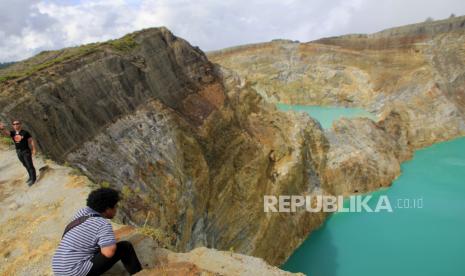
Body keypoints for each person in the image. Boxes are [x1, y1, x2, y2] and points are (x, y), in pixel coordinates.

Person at [52, 188, 142, 276]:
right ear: (107, 209)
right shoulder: (102, 224)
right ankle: (139, 274)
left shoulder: (81, 213)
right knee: (125, 247)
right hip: (75, 271)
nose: (116, 209)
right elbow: (108, 252)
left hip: (58, 268)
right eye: (115, 206)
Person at [0, 120, 37, 185]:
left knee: (29, 165)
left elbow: (31, 141)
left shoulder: (25, 133)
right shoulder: (13, 133)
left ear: (20, 124)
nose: (16, 125)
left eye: (17, 124)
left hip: (26, 151)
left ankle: (33, 179)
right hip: (18, 152)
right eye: (14, 124)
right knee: (25, 165)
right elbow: (6, 133)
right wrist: (2, 128)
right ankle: (30, 177)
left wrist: (33, 149)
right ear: (13, 126)